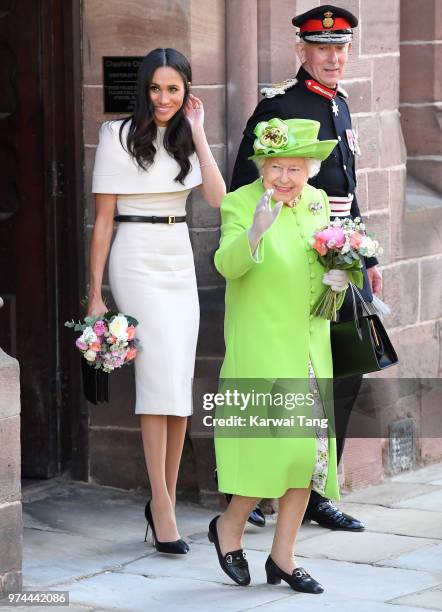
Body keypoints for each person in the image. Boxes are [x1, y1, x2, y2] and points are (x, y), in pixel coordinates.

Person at [230, 4, 381, 532]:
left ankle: (317, 486)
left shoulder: (340, 104)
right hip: (291, 259)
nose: (334, 57)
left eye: (341, 48)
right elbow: (243, 188)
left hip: (340, 255)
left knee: (345, 371)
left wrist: (367, 256)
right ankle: (259, 489)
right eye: (323, 49)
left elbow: (349, 190)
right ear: (302, 51)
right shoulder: (280, 105)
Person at [87, 48, 225, 555]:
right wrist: (95, 294)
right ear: (142, 89)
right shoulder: (115, 136)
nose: (164, 98)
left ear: (186, 90)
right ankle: (162, 505)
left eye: (174, 88)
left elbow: (216, 197)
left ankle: (161, 501)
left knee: (177, 381)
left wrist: (203, 132)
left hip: (177, 256)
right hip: (135, 256)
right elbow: (102, 222)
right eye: (155, 88)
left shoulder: (189, 135)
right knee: (155, 376)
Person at [209, 117, 348, 593]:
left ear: (309, 169)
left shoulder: (317, 201)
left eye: (294, 168)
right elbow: (226, 264)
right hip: (263, 347)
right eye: (275, 167)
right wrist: (255, 232)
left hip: (310, 346)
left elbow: (325, 262)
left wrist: (340, 279)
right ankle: (230, 525)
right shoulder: (240, 202)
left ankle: (283, 557)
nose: (285, 178)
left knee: (308, 456)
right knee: (272, 451)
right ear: (261, 166)